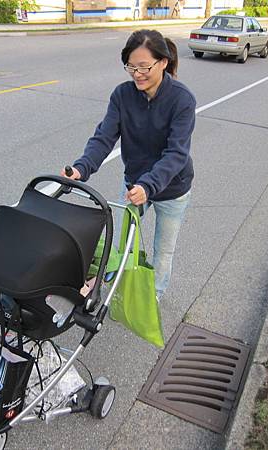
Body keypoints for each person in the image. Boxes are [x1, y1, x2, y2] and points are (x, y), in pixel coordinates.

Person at [61, 29, 196, 300]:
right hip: (135, 183)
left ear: (163, 63)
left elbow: (176, 154)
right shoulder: (122, 95)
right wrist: (81, 168)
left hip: (172, 187)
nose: (137, 74)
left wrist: (149, 185)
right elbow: (103, 138)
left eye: (144, 67)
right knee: (121, 243)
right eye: (131, 67)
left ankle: (152, 297)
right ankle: (115, 287)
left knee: (163, 250)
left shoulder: (182, 99)